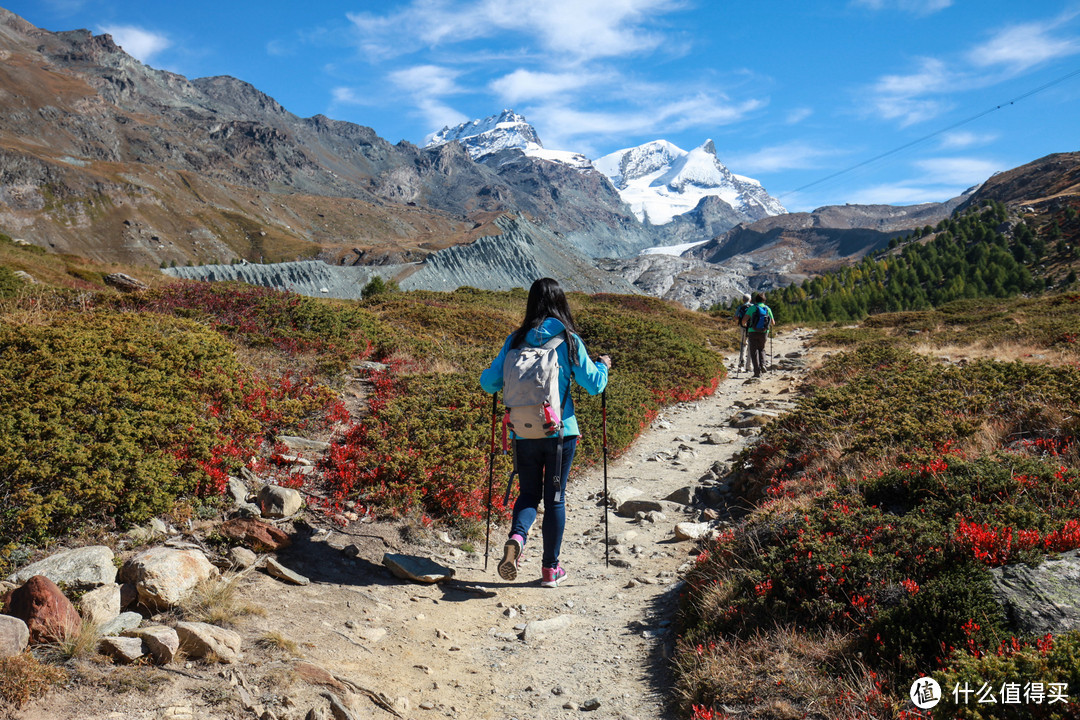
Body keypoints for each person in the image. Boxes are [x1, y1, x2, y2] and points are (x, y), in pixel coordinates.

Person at [480, 278, 611, 587]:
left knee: (527, 493)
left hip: (522, 433)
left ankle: (517, 538)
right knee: (554, 499)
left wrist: (493, 373)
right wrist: (603, 366)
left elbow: (489, 383)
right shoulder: (569, 340)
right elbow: (593, 386)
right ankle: (551, 570)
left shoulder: (515, 340)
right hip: (560, 435)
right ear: (560, 303)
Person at [741, 292, 774, 378]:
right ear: (764, 300)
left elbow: (744, 320)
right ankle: (763, 364)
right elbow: (773, 323)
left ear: (756, 300)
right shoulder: (767, 308)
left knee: (754, 351)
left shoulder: (752, 308)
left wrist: (744, 324)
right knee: (761, 349)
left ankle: (757, 372)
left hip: (753, 331)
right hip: (764, 332)